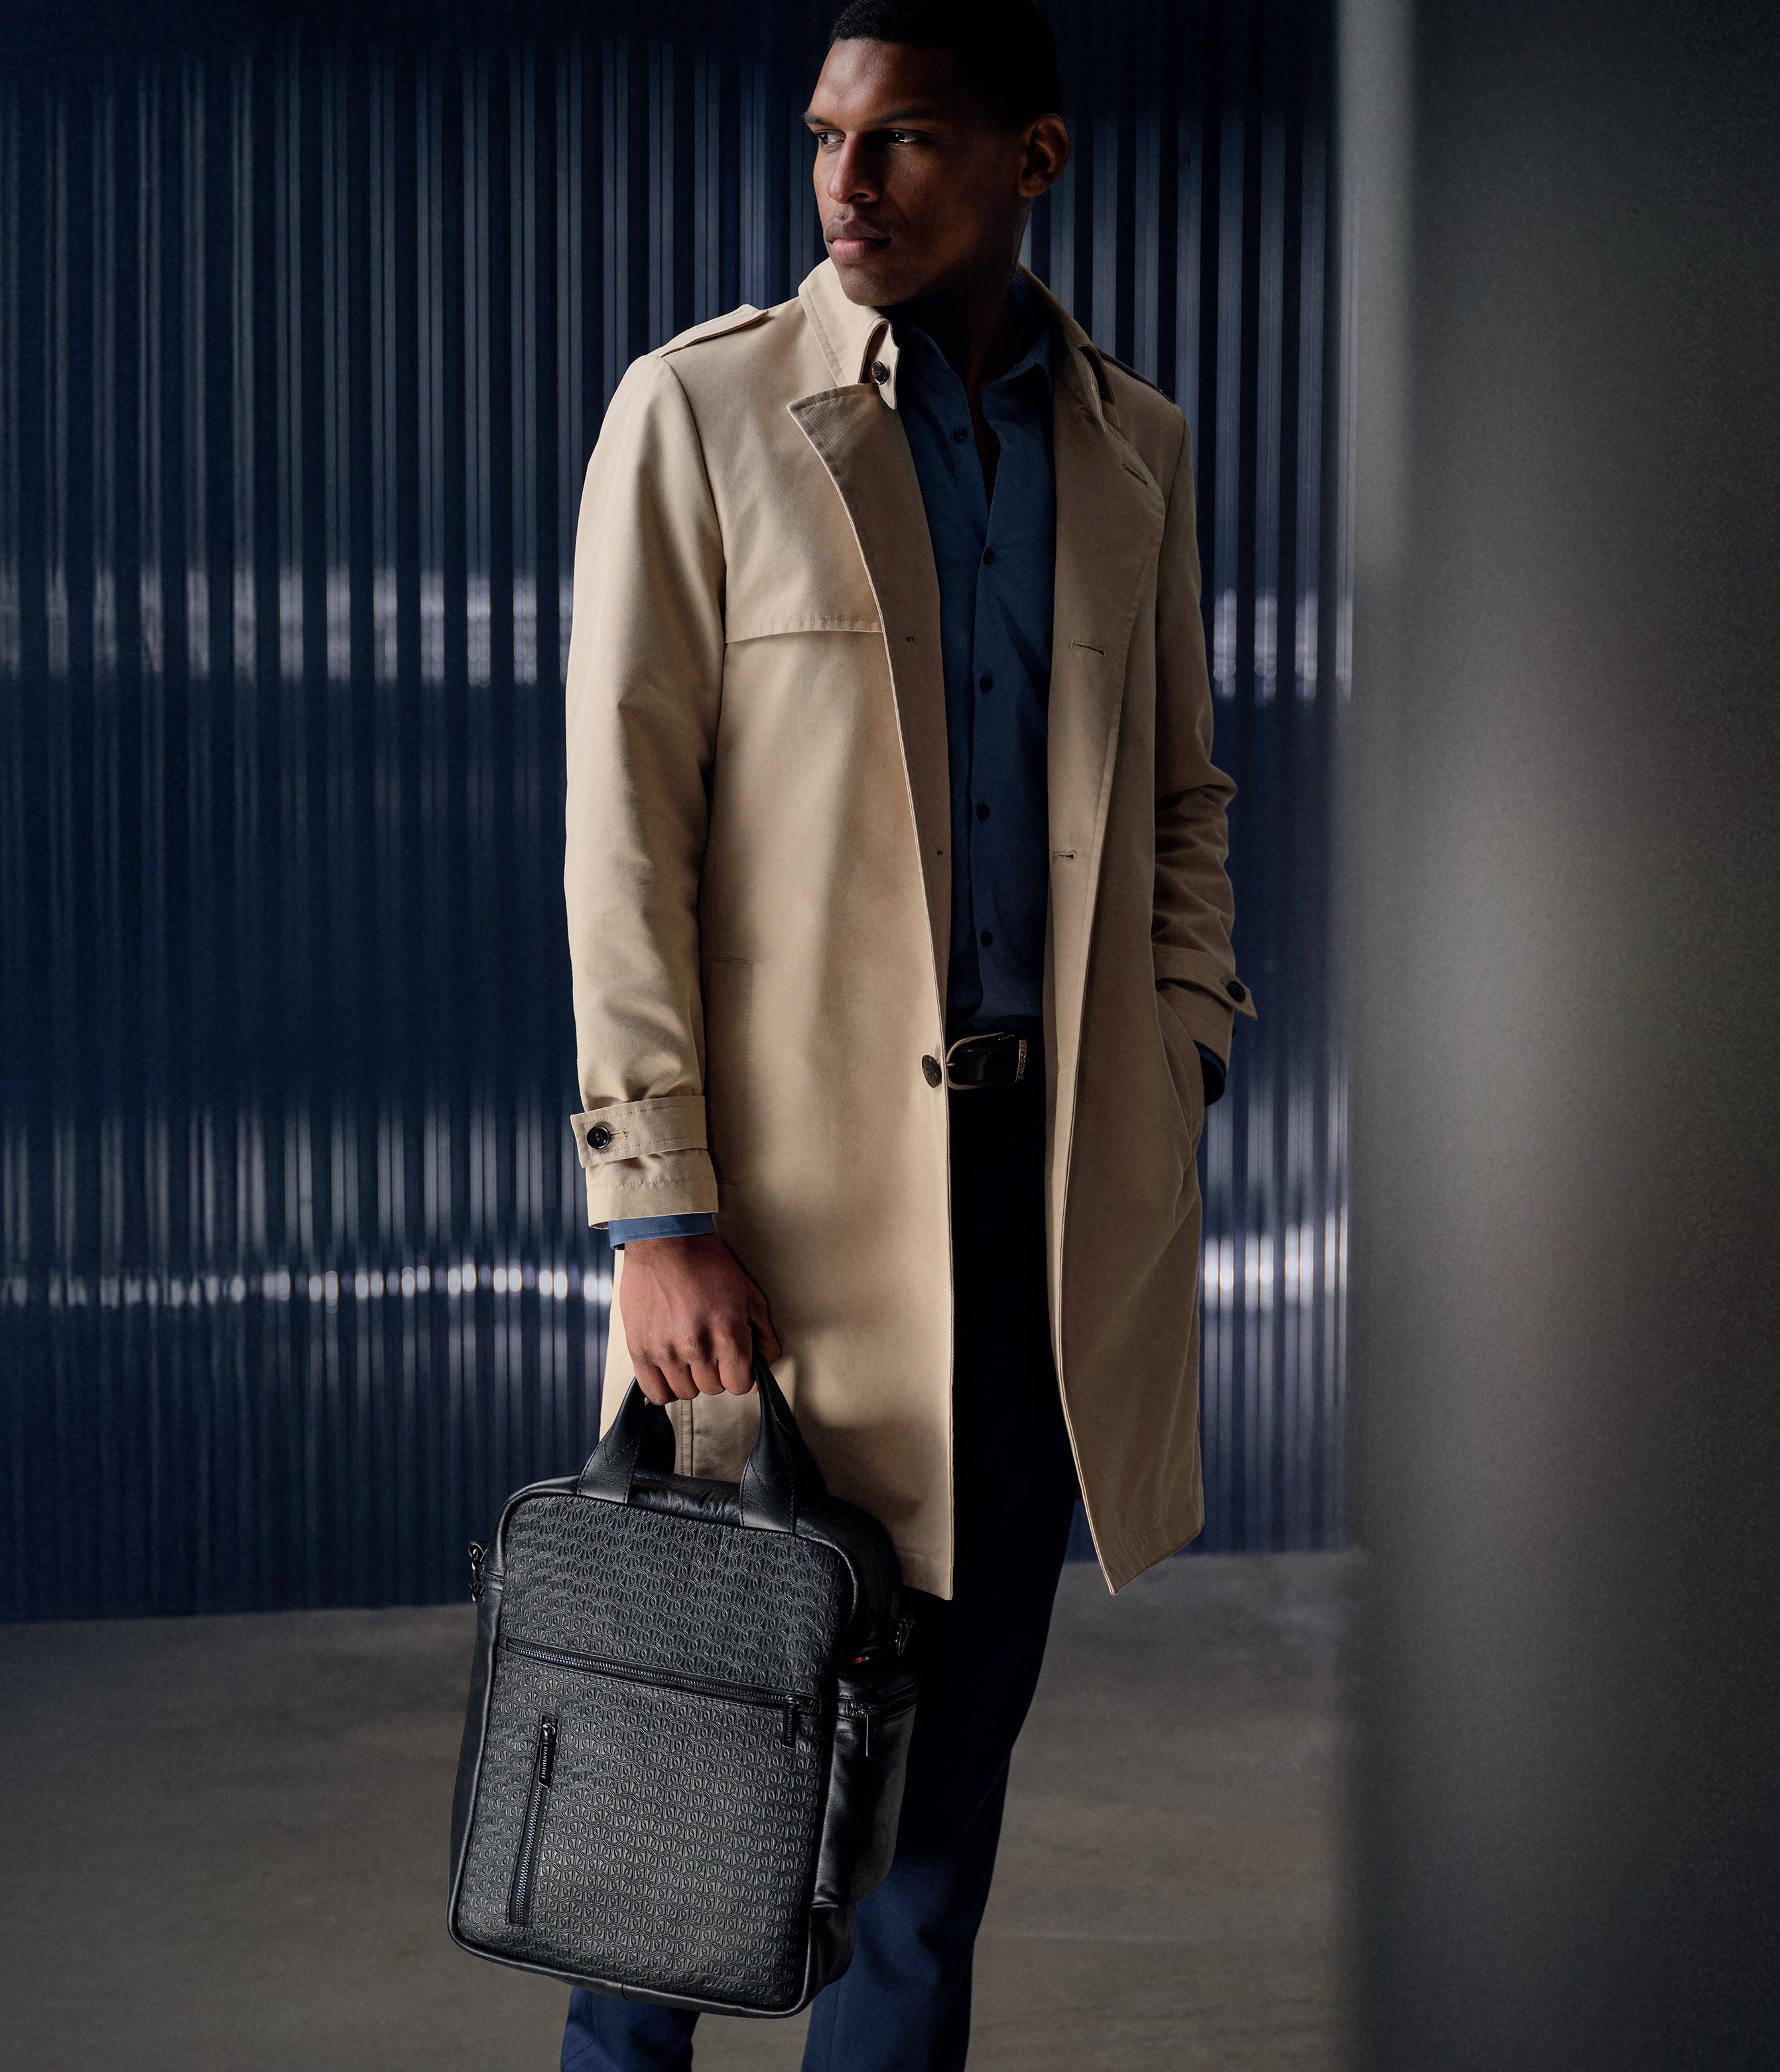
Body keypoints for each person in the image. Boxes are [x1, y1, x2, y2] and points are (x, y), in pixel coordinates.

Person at [558, 3, 1255, 2064]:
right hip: (781, 1224)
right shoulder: (701, 411)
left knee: (932, 1851)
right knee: (682, 1804)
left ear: (1031, 157)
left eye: (903, 140)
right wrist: (655, 1205)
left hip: (1045, 1204)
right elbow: (622, 834)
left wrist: (1183, 1051)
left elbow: (1185, 795)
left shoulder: (1130, 449)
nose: (842, 187)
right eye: (823, 137)